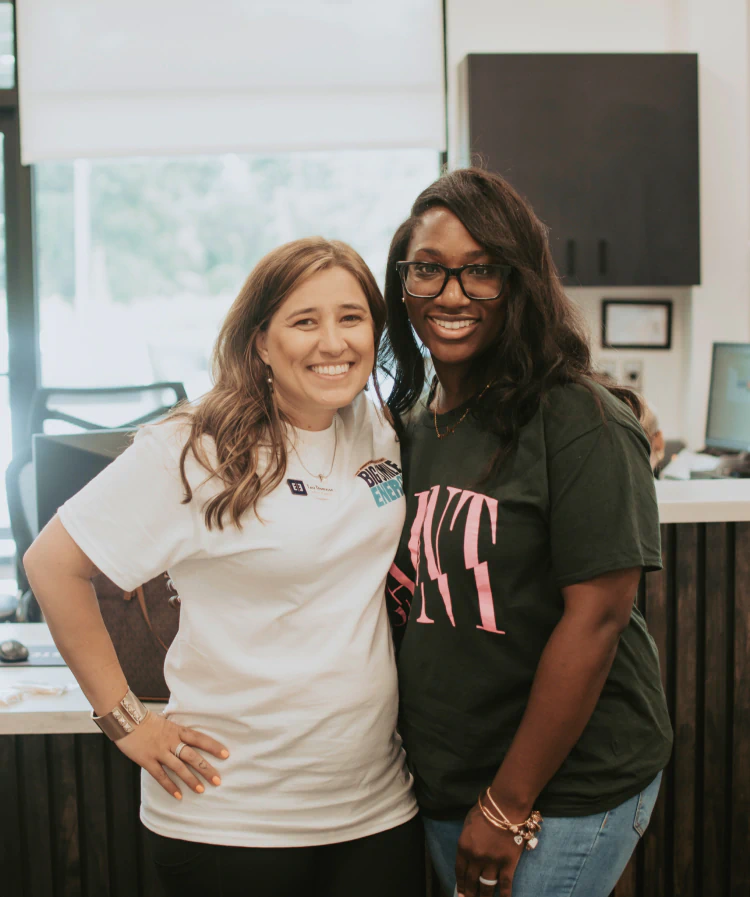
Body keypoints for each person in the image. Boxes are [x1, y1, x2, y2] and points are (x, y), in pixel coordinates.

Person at [24, 238, 424, 897]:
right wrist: (126, 720)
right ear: (261, 341)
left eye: (351, 317)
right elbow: (52, 564)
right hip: (232, 818)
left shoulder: (380, 429)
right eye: (305, 320)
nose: (333, 341)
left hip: (376, 807)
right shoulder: (195, 444)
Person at [380, 169, 673, 897]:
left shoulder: (579, 418)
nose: (452, 294)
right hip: (449, 780)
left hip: (560, 788)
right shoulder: (410, 427)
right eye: (429, 270)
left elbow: (599, 618)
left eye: (482, 271)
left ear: (519, 283)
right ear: (403, 282)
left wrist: (506, 805)